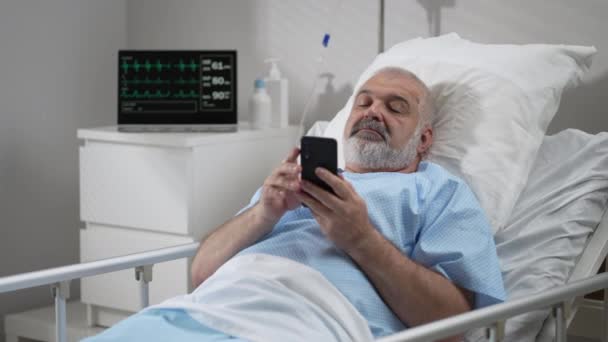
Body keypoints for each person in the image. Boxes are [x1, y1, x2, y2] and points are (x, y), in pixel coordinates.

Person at [86, 67, 506, 342]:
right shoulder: (299, 177)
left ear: (425, 140)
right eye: (363, 102)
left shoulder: (438, 192)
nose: (373, 111)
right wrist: (264, 212)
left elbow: (454, 324)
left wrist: (360, 239)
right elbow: (200, 273)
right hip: (202, 312)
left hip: (307, 323)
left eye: (396, 108)